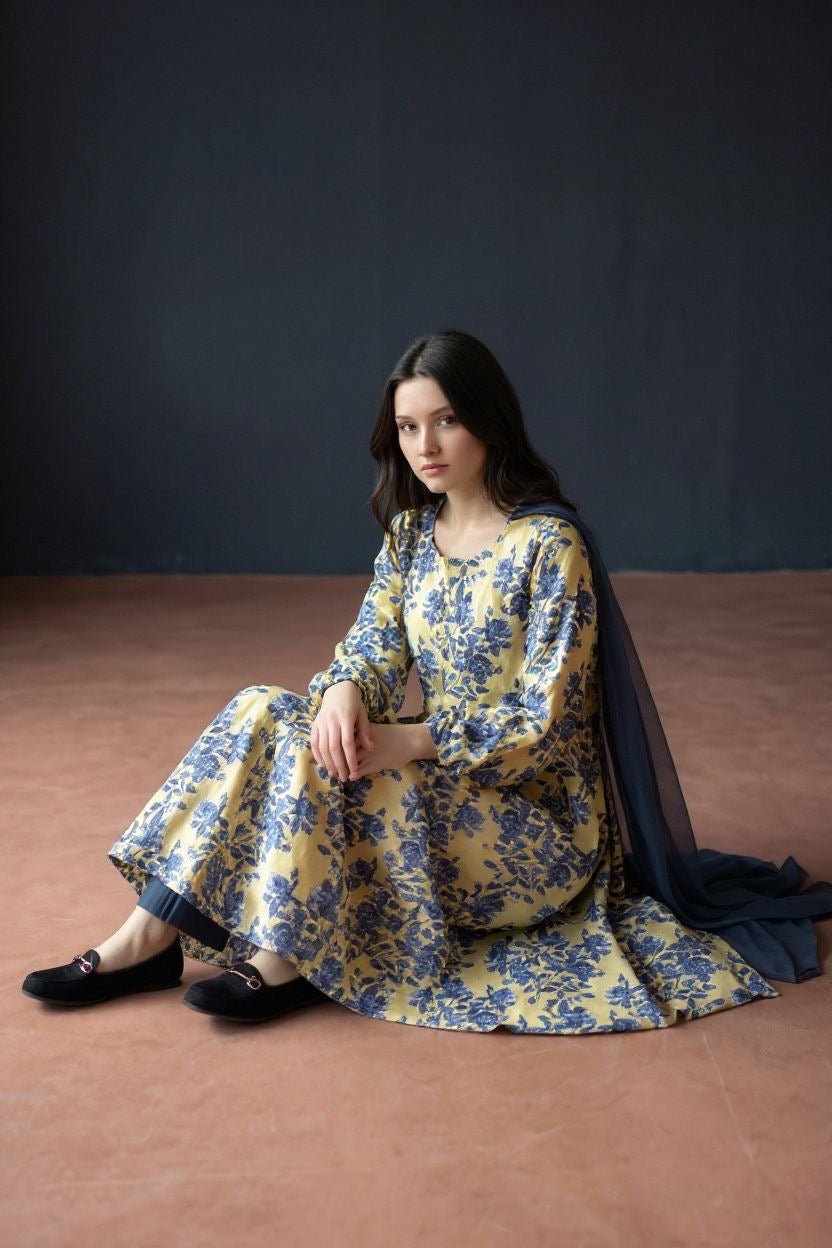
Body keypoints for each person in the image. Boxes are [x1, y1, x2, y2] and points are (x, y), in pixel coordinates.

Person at [22, 329, 830, 1031]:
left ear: (489, 420)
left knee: (354, 766)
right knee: (265, 709)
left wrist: (410, 742)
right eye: (408, 427)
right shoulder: (411, 537)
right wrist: (344, 689)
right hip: (436, 792)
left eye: (445, 419)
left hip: (535, 832)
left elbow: (546, 727)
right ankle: (150, 937)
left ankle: (286, 955)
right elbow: (370, 650)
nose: (425, 445)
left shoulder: (550, 548)